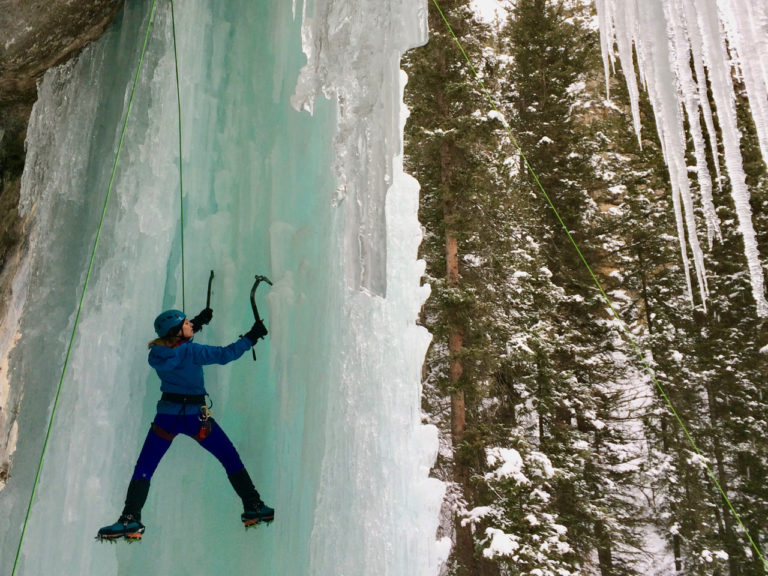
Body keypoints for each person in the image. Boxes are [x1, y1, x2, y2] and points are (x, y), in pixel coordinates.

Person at [96, 307, 273, 541]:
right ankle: (253, 505)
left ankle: (129, 519)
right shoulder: (192, 352)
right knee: (229, 458)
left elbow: (175, 348)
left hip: (166, 417)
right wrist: (251, 336)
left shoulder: (158, 353)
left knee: (145, 467)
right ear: (177, 331)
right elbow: (224, 355)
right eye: (187, 323)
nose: (191, 324)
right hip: (195, 418)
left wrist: (196, 324)